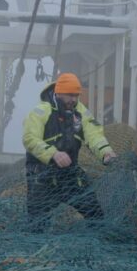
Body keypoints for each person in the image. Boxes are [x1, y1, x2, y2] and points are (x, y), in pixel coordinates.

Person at [22, 73, 117, 230]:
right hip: (42, 177)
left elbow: (94, 135)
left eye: (76, 95)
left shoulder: (81, 112)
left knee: (95, 214)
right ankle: (35, 252)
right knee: (37, 225)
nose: (73, 100)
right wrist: (53, 154)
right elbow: (30, 139)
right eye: (69, 95)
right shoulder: (40, 111)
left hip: (70, 175)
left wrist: (106, 152)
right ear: (58, 92)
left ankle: (96, 245)